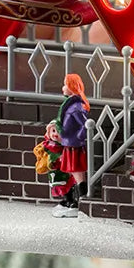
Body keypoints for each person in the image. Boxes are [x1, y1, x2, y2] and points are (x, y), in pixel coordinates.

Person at [52, 74, 90, 218]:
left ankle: (81, 202)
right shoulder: (70, 105)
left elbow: (85, 125)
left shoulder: (76, 107)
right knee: (70, 174)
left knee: (77, 174)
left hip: (75, 147)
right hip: (69, 144)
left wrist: (78, 138)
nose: (63, 88)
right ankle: (72, 200)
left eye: (65, 85)